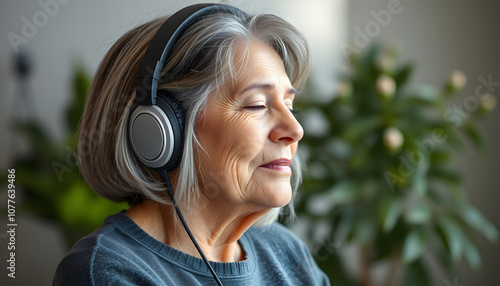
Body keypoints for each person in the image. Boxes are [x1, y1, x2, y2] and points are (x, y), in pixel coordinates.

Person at [54, 3, 330, 285]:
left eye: (290, 106)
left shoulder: (285, 252)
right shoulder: (108, 271)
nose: (295, 130)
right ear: (162, 130)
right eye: (257, 105)